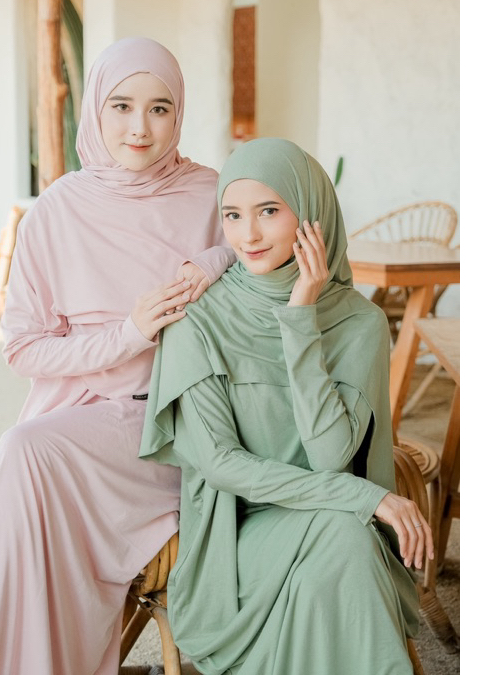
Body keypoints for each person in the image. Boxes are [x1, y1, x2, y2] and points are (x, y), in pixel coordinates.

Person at [0, 37, 235, 674]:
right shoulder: (55, 212)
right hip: (85, 416)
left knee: (25, 453)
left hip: (183, 423)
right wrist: (129, 333)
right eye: (121, 106)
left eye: (159, 108)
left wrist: (217, 258)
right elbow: (23, 349)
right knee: (26, 457)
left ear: (179, 113)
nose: (140, 128)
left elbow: (269, 244)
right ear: (95, 108)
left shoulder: (212, 193)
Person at [140, 137, 432, 675]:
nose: (247, 235)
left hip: (334, 519)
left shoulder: (358, 323)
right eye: (232, 215)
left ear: (311, 215)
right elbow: (221, 464)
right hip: (235, 540)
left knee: (344, 542)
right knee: (346, 539)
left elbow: (329, 457)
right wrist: (363, 496)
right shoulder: (198, 319)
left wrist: (300, 320)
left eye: (269, 211)